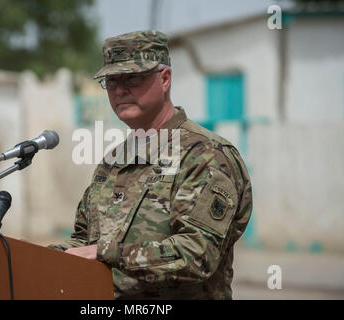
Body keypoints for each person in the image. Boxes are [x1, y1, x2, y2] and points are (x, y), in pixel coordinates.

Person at [48, 30, 252, 299]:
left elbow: (196, 255)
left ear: (165, 79)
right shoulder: (113, 160)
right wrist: (34, 257)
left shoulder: (206, 154)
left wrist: (106, 253)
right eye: (111, 81)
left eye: (132, 78)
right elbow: (85, 241)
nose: (120, 90)